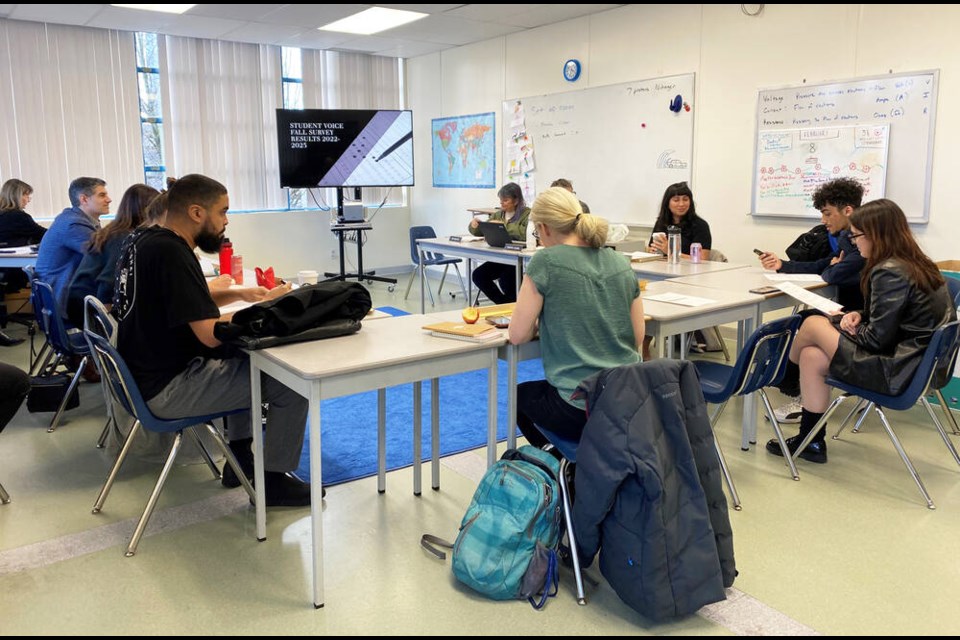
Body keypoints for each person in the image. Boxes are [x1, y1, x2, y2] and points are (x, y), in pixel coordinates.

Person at [113, 173, 315, 507]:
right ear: (196, 213)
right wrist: (269, 308)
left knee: (242, 359)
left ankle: (239, 461)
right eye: (222, 212)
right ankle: (274, 482)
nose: (226, 222)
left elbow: (183, 304)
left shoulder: (142, 241)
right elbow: (209, 335)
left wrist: (244, 296)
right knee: (289, 383)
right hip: (168, 389)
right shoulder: (172, 253)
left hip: (137, 381)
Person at [765, 199, 956, 464]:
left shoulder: (888, 271)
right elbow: (899, 315)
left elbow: (875, 340)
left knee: (810, 323)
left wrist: (843, 326)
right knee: (811, 355)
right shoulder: (914, 262)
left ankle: (784, 376)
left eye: (856, 235)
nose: (854, 242)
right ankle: (812, 441)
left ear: (876, 234)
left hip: (897, 371)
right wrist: (860, 315)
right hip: (919, 365)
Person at [508, 186, 645, 448]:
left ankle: (565, 465)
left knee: (518, 398)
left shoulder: (545, 261)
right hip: (629, 399)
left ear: (545, 227)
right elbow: (637, 336)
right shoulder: (620, 261)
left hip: (579, 405)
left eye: (537, 232)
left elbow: (517, 335)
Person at [757, 177, 866, 423]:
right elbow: (825, 265)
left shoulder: (860, 240)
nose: (823, 220)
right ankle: (794, 386)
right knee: (805, 325)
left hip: (858, 319)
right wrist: (783, 265)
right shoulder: (847, 237)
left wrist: (834, 267)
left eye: (827, 213)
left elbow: (832, 272)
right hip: (852, 312)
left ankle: (787, 379)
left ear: (847, 210)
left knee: (804, 322)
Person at [65, 184, 160, 327]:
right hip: (89, 312)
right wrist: (112, 330)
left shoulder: (120, 230)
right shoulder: (122, 238)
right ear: (145, 211)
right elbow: (108, 284)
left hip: (84, 302)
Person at [35, 177, 111, 318]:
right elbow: (105, 255)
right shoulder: (74, 224)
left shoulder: (79, 219)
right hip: (63, 297)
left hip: (63, 291)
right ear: (84, 199)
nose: (109, 199)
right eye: (102, 195)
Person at [0, 179, 46, 346]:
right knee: (48, 274)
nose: (28, 199)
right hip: (14, 270)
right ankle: (48, 321)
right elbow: (45, 235)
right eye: (26, 195)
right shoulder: (18, 216)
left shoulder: (3, 214)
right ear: (16, 195)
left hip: (5, 267)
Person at [467, 182, 530, 304]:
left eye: (505, 200)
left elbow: (525, 232)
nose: (502, 203)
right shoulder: (498, 214)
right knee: (478, 275)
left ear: (516, 201)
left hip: (516, 258)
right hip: (500, 257)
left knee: (507, 280)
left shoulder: (527, 214)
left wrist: (502, 226)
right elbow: (483, 231)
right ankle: (503, 304)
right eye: (501, 200)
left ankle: (510, 307)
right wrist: (474, 226)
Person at [648, 181, 711, 260]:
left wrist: (671, 251)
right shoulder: (661, 222)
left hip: (689, 270)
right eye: (676, 200)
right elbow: (650, 248)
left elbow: (703, 259)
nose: (681, 204)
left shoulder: (700, 225)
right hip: (663, 267)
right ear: (667, 203)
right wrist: (652, 251)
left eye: (685, 199)